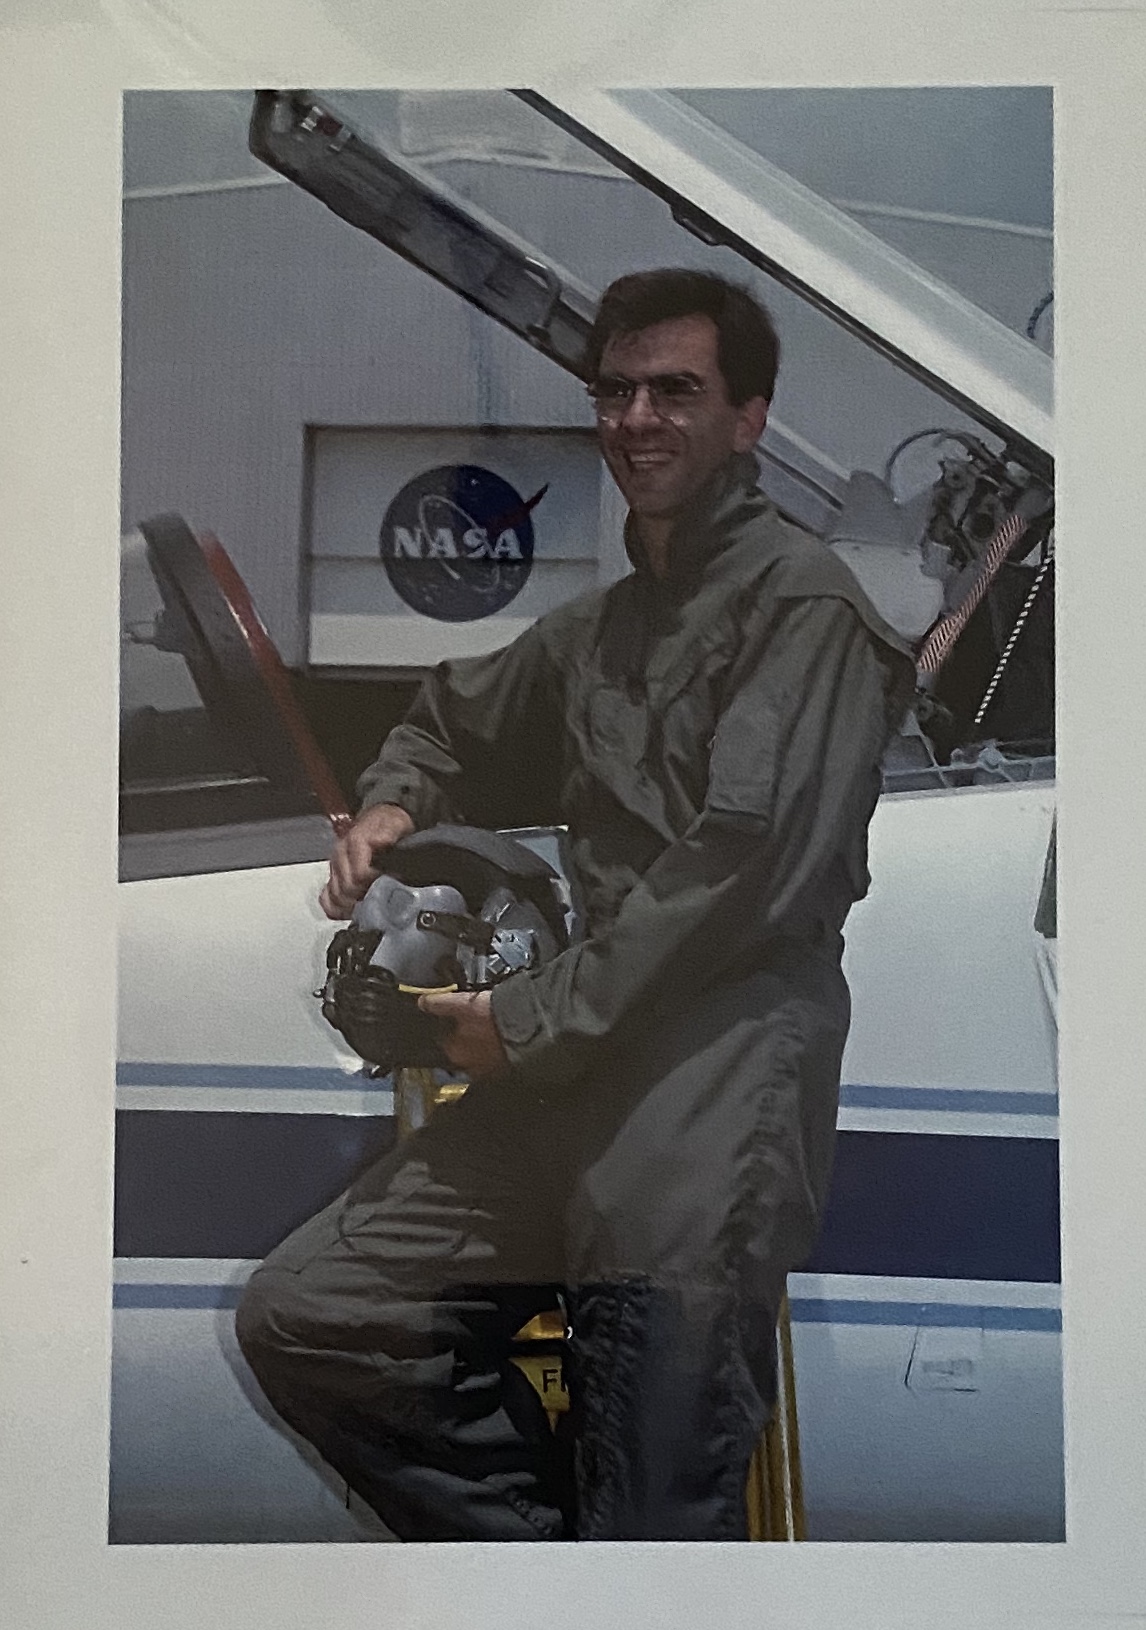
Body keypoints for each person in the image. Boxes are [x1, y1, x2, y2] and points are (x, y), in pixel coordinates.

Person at [236, 268, 916, 1541]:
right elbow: (450, 718)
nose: (638, 418)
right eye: (617, 391)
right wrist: (392, 804)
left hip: (704, 1102)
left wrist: (522, 1022)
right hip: (570, 1085)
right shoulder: (600, 630)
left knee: (654, 1496)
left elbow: (736, 874)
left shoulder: (804, 610)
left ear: (750, 417)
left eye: (677, 391)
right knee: (318, 1314)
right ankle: (567, 1575)